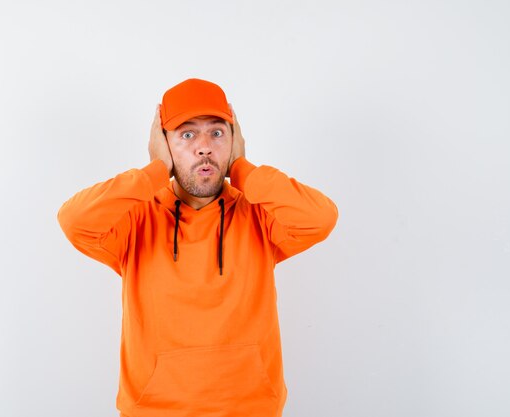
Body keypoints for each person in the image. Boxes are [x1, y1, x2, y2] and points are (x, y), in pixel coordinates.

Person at [57, 78, 338, 417]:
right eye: (187, 135)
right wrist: (155, 171)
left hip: (251, 409)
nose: (204, 147)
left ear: (234, 141)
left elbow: (319, 217)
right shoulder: (135, 219)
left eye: (217, 133)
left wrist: (242, 169)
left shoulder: (259, 215)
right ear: (162, 144)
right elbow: (74, 220)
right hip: (155, 411)